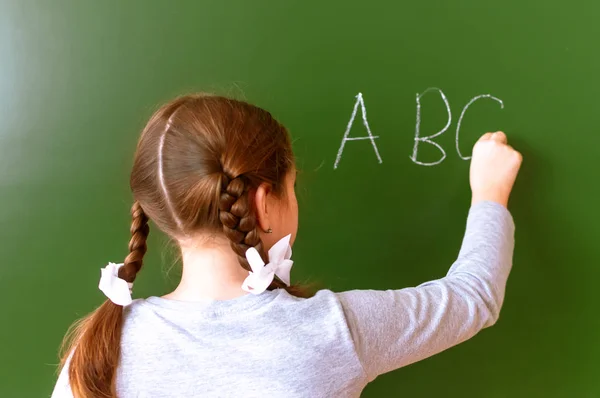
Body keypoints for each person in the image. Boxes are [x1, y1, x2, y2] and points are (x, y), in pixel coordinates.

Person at [51, 93, 522, 398]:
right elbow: (473, 297)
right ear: (263, 202)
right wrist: (489, 194)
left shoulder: (99, 349)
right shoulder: (331, 332)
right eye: (293, 186)